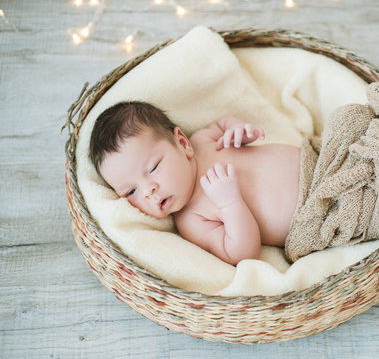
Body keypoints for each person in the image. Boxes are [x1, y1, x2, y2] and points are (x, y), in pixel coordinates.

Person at [90, 101, 300, 265]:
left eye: (153, 168)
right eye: (131, 191)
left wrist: (237, 130)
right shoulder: (191, 220)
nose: (147, 191)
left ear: (182, 143)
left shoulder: (202, 141)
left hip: (315, 160)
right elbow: (241, 253)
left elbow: (222, 123)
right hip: (310, 212)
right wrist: (230, 204)